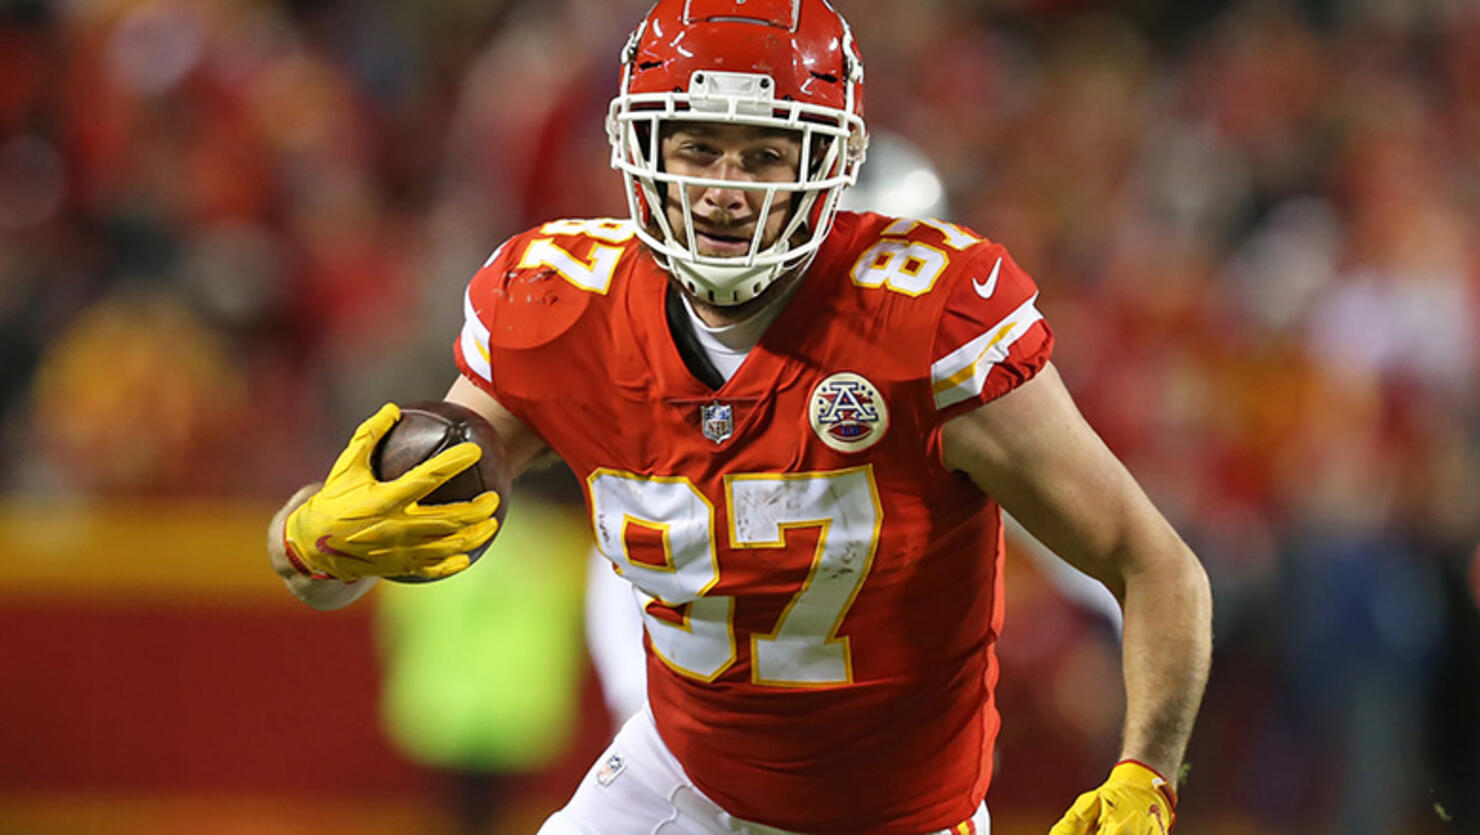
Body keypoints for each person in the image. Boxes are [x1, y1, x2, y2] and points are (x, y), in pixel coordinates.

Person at [266, 1, 1213, 832]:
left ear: (832, 163)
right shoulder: (561, 308)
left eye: (766, 152)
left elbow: (1153, 562)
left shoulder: (929, 320)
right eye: (698, 145)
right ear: (644, 148)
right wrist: (311, 538)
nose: (727, 186)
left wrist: (1147, 776)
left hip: (892, 818)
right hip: (675, 782)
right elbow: (343, 561)